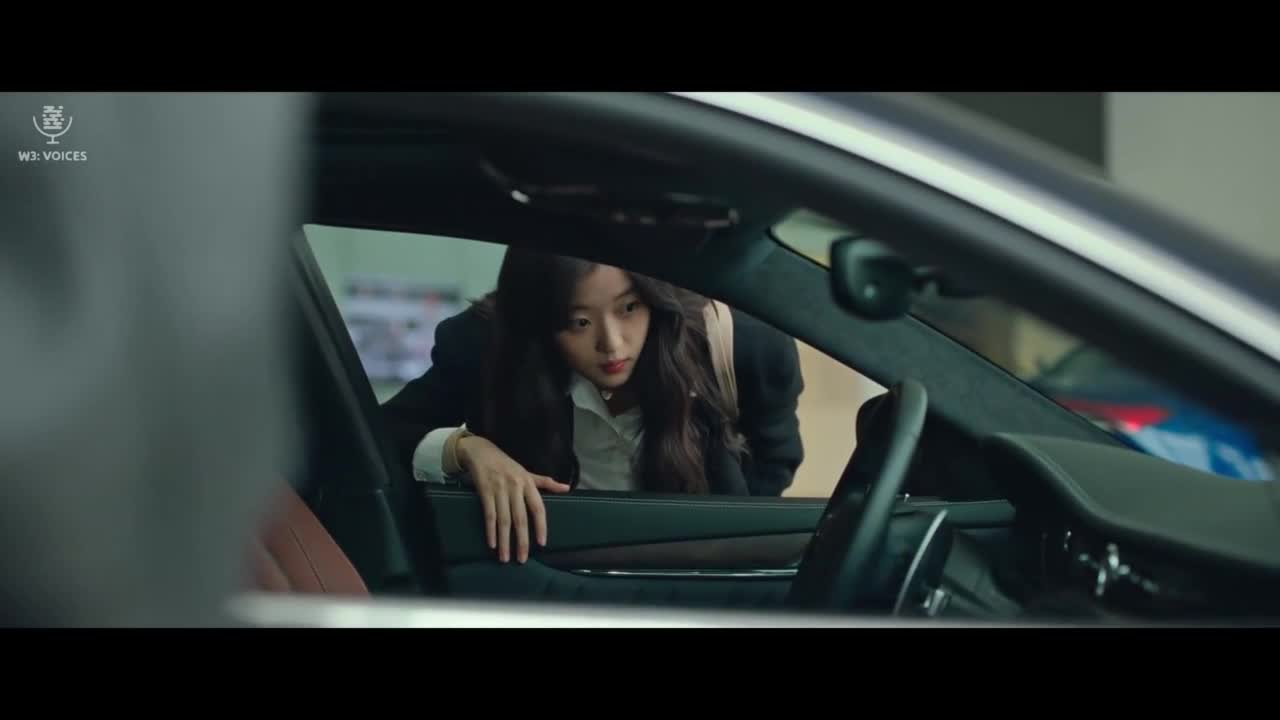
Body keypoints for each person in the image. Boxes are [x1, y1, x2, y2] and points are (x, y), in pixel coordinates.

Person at [381, 247, 804, 564]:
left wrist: (728, 545)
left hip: (688, 573)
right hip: (550, 575)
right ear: (540, 321)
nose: (612, 344)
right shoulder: (484, 347)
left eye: (629, 308)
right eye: (578, 322)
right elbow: (382, 437)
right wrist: (467, 448)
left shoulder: (741, 347)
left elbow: (773, 463)